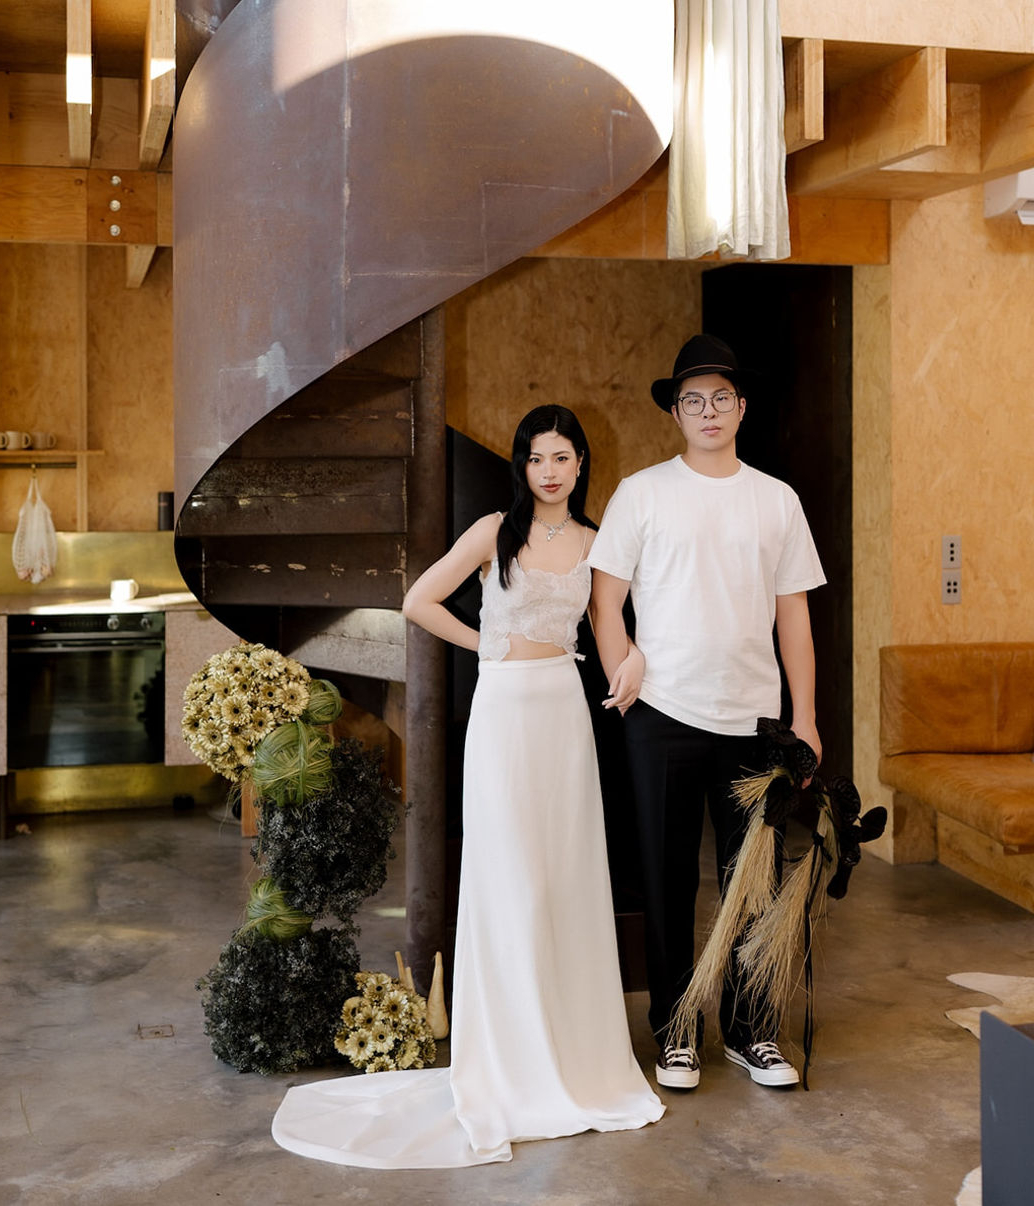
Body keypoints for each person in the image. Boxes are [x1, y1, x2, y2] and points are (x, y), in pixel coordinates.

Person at [272, 404, 663, 1168]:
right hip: (505, 715)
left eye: (562, 457)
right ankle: (513, 1063)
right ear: (522, 465)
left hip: (564, 716)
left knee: (564, 882)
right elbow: (418, 600)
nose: (549, 471)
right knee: (514, 882)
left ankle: (570, 1056)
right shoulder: (493, 532)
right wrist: (487, 642)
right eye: (537, 458)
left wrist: (638, 660)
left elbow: (612, 627)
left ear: (581, 463)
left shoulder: (595, 541)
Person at [588, 334, 826, 1092]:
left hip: (755, 721)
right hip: (661, 714)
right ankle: (676, 1032)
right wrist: (623, 663)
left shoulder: (777, 499)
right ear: (676, 413)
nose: (709, 411)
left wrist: (806, 716)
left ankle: (752, 1033)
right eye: (693, 400)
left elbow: (794, 616)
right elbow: (605, 600)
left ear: (742, 407)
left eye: (722, 397)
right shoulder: (642, 492)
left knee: (751, 882)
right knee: (665, 882)